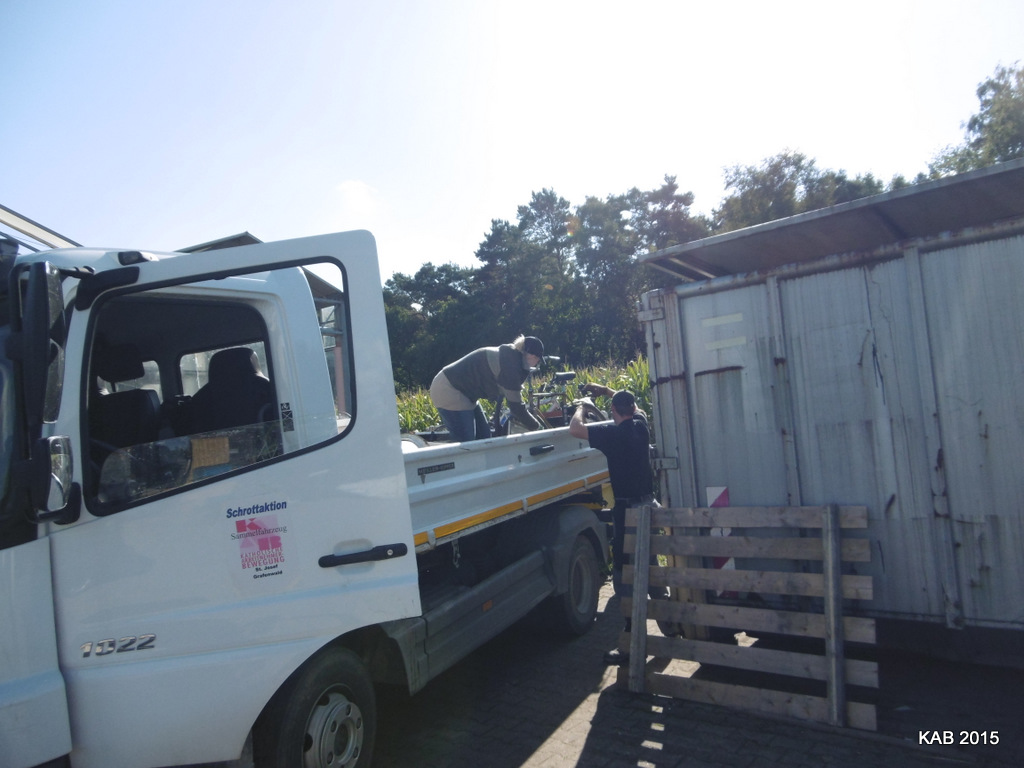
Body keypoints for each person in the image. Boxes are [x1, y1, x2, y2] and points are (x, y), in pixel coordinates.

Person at [569, 384, 667, 665]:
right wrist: (606, 389)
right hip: (649, 506)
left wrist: (582, 407)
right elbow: (636, 408)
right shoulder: (641, 425)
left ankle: (631, 646)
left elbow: (575, 429)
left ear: (613, 411)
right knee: (651, 566)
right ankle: (671, 628)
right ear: (633, 409)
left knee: (625, 577)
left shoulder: (611, 434)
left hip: (628, 513)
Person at [430, 335, 545, 442]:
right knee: (466, 444)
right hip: (449, 389)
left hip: (464, 392)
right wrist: (537, 428)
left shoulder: (511, 355)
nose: (537, 364)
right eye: (538, 360)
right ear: (532, 356)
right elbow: (516, 408)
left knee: (484, 437)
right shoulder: (510, 367)